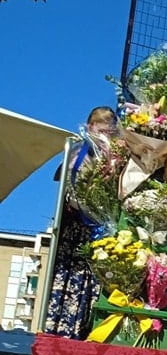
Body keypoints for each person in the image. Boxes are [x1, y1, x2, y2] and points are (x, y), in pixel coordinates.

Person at [44, 106, 118, 339]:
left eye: (110, 131)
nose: (105, 135)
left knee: (93, 286)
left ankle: (86, 331)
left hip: (99, 234)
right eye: (101, 129)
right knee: (70, 285)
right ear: (90, 127)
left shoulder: (114, 157)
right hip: (76, 236)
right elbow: (71, 193)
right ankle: (63, 332)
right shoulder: (78, 154)